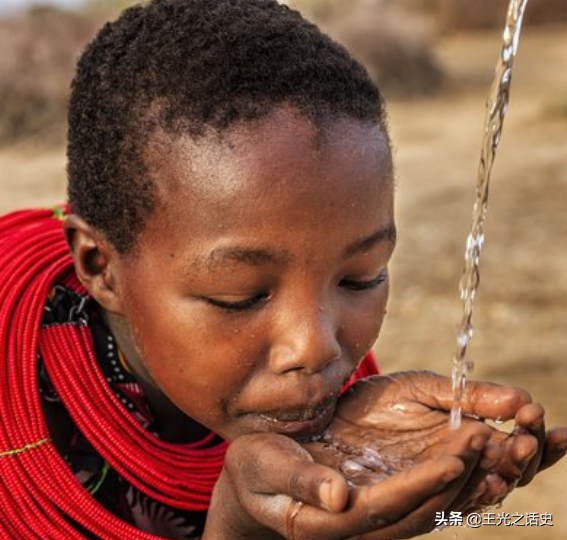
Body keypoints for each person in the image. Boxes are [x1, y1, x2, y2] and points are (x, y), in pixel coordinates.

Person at [0, 1, 565, 539]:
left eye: (360, 277)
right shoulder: (16, 435)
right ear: (102, 269)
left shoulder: (332, 410)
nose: (314, 346)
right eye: (240, 296)